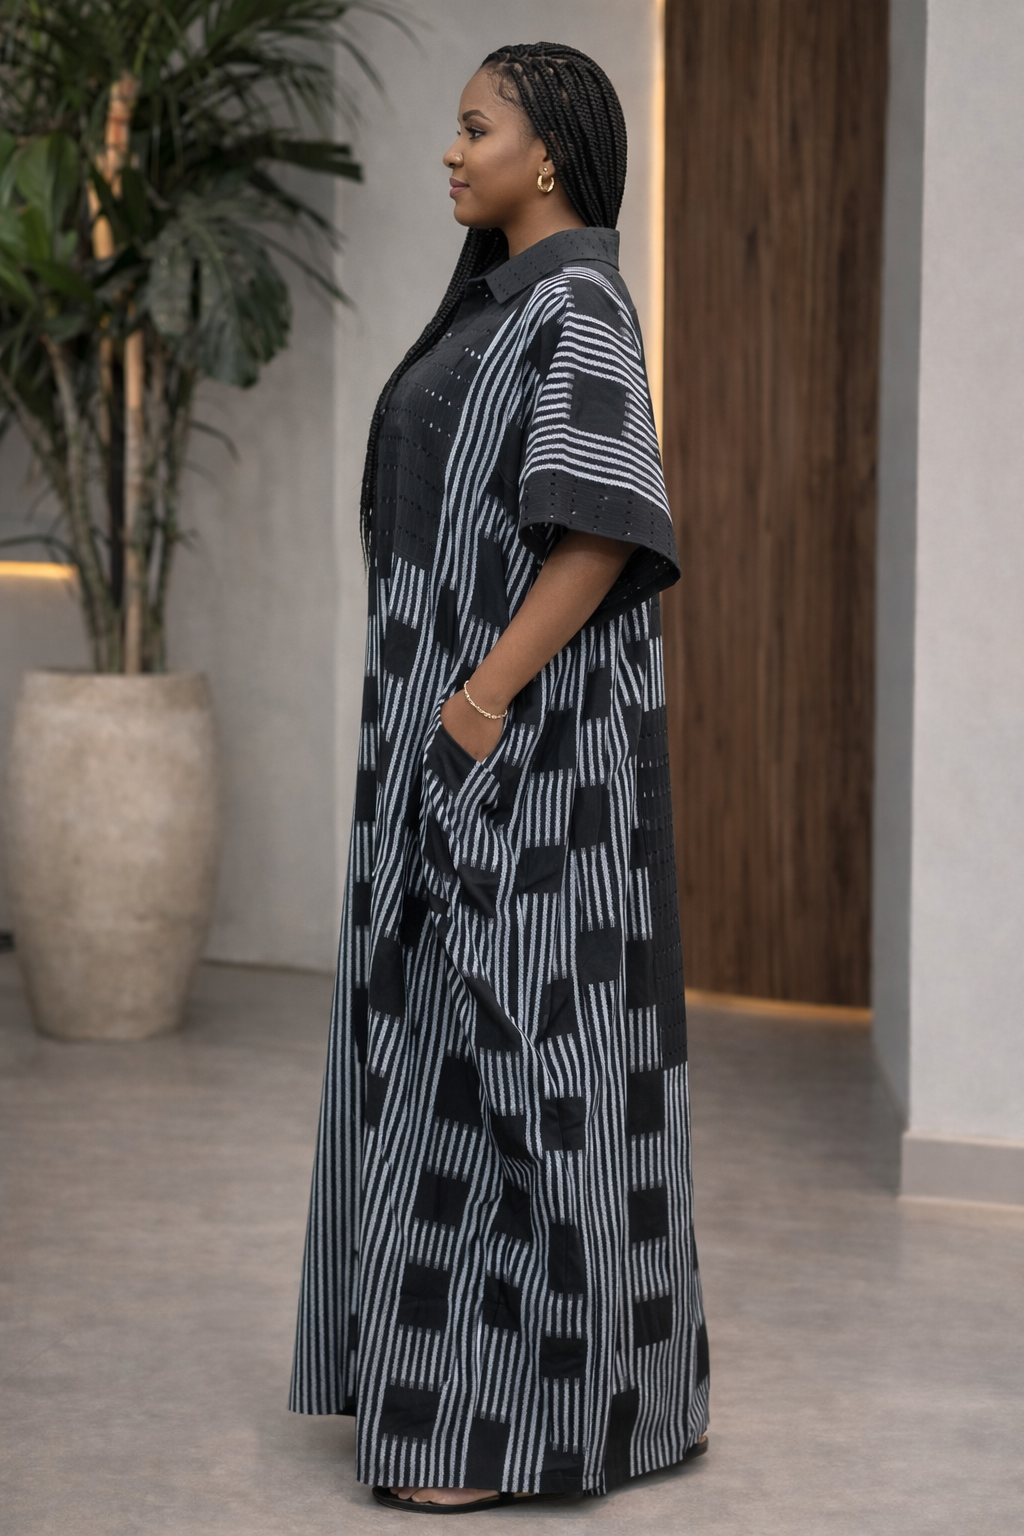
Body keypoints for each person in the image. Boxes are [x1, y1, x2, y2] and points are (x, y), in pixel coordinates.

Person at [290, 40, 709, 1511]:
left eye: (477, 129)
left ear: (550, 154)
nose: (453, 152)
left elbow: (602, 533)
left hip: (530, 755)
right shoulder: (500, 300)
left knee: (521, 1049)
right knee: (437, 1042)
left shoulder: (580, 306)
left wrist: (475, 705)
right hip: (451, 728)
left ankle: (510, 1421)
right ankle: (448, 1390)